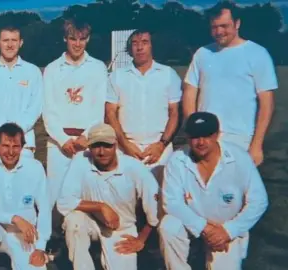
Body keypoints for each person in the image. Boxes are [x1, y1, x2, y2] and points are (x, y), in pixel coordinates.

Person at [159, 112, 269, 270]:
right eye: (195, 137)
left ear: (217, 134)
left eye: (207, 135)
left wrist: (228, 231)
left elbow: (258, 201)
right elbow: (172, 202)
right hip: (193, 223)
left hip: (226, 228)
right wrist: (205, 227)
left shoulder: (239, 158)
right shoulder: (177, 159)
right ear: (188, 137)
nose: (201, 142)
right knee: (169, 225)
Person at [183, 1, 278, 166]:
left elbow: (266, 103)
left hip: (240, 141)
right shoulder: (202, 54)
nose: (219, 31)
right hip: (205, 139)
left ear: (237, 23)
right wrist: (194, 132)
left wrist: (256, 145)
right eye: (214, 27)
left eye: (224, 26)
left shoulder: (257, 54)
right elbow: (189, 93)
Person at [57, 123, 160, 270]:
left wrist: (141, 240)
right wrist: (101, 206)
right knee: (74, 221)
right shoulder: (80, 160)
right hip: (91, 221)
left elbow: (155, 208)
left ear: (116, 145)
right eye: (96, 146)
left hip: (121, 228)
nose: (101, 152)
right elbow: (64, 201)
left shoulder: (134, 167)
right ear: (89, 147)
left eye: (107, 146)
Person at [42, 18, 108, 208]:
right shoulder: (53, 69)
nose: (77, 44)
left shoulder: (98, 68)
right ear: (65, 39)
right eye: (73, 39)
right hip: (58, 143)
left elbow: (99, 108)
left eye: (82, 39)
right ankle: (52, 234)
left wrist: (86, 136)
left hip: (87, 142)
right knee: (55, 195)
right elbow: (48, 110)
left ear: (88, 39)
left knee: (85, 193)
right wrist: (63, 140)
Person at [105, 28, 181, 181]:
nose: (139, 47)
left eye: (144, 42)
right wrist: (125, 145)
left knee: (159, 199)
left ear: (152, 46)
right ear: (130, 48)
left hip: (160, 150)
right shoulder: (117, 76)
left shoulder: (168, 74)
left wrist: (161, 145)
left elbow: (175, 113)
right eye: (135, 43)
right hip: (126, 150)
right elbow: (110, 113)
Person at [0, 123, 51, 269]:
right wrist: (15, 219)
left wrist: (41, 247)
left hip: (25, 234)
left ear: (22, 147)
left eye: (15, 146)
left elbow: (45, 208)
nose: (10, 152)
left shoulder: (35, 167)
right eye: (5, 146)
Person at [0, 24, 43, 159]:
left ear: (21, 42)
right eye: (6, 40)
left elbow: (35, 107)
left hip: (24, 144)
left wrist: (17, 134)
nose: (10, 45)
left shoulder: (33, 72)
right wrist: (2, 134)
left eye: (14, 40)